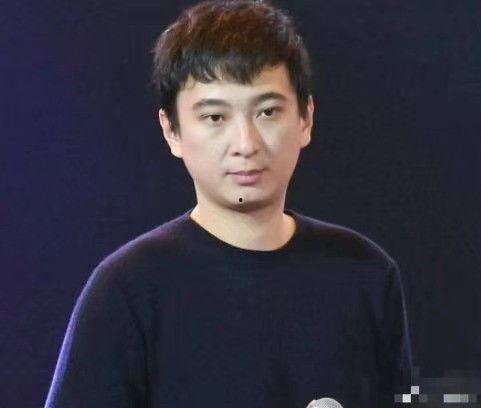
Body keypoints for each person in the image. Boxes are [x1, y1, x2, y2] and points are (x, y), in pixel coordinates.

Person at [44, 0, 413, 407]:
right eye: (215, 117)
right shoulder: (127, 290)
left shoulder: (365, 274)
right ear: (172, 130)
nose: (246, 144)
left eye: (267, 112)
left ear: (305, 119)